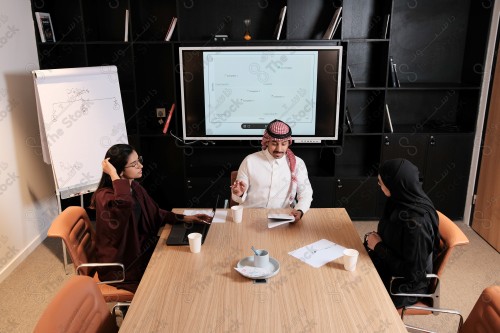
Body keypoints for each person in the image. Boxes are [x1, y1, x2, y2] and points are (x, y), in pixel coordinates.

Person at [89, 144, 211, 292]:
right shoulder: (105, 197)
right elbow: (124, 204)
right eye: (134, 164)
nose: (140, 165)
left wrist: (186, 218)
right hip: (124, 265)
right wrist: (113, 174)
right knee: (171, 281)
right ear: (120, 171)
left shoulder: (134, 187)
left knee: (184, 262)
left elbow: (155, 213)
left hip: (142, 249)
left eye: (139, 160)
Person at [365, 158, 440, 309]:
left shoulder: (417, 224)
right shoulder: (398, 199)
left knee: (362, 301)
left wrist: (378, 246)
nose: (378, 185)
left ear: (394, 185)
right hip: (390, 265)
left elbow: (413, 273)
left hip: (405, 286)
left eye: (381, 182)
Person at [231, 119, 313, 222]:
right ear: (267, 142)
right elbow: (237, 197)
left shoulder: (298, 163)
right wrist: (239, 193)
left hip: (281, 217)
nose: (279, 149)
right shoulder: (250, 161)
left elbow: (305, 193)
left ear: (288, 143)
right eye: (274, 143)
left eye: (283, 144)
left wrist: (300, 210)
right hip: (250, 216)